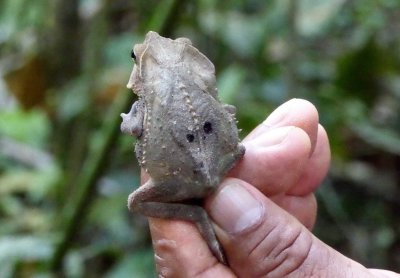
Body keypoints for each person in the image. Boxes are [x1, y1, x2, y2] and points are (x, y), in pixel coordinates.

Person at [141, 99, 400, 277]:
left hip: (190, 176)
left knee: (139, 201)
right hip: (212, 169)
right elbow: (227, 112)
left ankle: (200, 211)